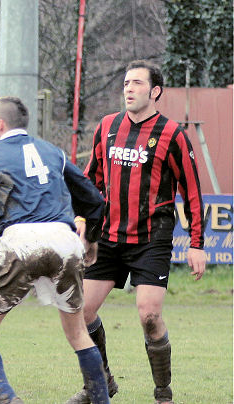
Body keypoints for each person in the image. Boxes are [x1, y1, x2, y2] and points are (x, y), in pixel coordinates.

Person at [67, 60, 206, 404]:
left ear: (155, 91)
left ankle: (162, 392)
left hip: (151, 239)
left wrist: (197, 244)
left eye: (137, 83)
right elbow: (90, 182)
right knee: (80, 312)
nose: (128, 88)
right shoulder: (107, 127)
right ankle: (101, 382)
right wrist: (83, 223)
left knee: (149, 315)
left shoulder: (173, 134)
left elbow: (192, 191)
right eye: (126, 83)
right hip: (109, 238)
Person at [0, 96, 109, 404]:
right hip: (64, 240)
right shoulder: (53, 152)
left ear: (0, 124)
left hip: (20, 242)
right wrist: (90, 239)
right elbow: (94, 200)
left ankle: (9, 400)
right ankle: (101, 399)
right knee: (78, 333)